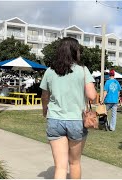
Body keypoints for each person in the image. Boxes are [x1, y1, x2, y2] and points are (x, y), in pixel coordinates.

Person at [40, 37, 97, 179]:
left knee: (60, 166)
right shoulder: (82, 70)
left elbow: (44, 96)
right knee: (75, 163)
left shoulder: (49, 71)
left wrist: (44, 109)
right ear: (75, 51)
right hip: (76, 120)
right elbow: (92, 96)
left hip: (54, 119)